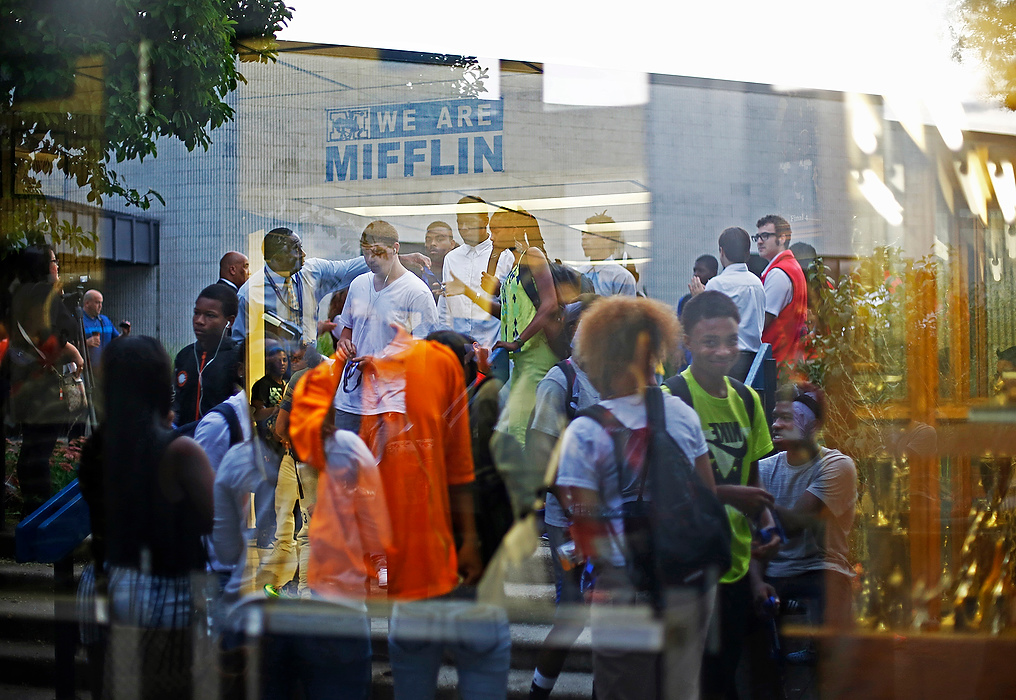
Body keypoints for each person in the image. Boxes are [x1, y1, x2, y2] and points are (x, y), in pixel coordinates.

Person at [555, 296, 716, 700]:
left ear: (600, 356)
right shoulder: (683, 416)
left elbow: (586, 528)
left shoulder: (586, 432)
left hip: (622, 591)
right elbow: (707, 501)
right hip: (684, 584)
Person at [357, 327, 509, 699]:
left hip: (415, 585)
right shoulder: (487, 411)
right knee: (484, 665)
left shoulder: (389, 425)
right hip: (473, 585)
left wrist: (378, 581)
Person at [77, 335, 214, 700]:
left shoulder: (96, 447)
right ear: (160, 385)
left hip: (100, 585)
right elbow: (217, 522)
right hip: (161, 594)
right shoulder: (178, 451)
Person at [664, 291, 775, 700]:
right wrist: (731, 496)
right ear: (687, 342)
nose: (723, 351)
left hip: (737, 563)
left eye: (731, 340)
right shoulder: (671, 400)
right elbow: (667, 488)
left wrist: (767, 523)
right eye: (710, 342)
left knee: (725, 673)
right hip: (688, 567)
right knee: (695, 679)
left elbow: (754, 475)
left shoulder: (747, 399)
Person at [751, 383, 856, 684]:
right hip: (775, 568)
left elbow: (794, 525)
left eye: (787, 418)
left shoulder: (837, 465)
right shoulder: (764, 468)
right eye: (775, 416)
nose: (776, 424)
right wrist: (757, 581)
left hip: (820, 566)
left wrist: (751, 498)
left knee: (830, 605)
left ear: (814, 425)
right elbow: (755, 538)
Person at [527, 297, 601, 700]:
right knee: (573, 610)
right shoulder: (560, 381)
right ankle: (540, 691)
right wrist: (573, 504)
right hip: (570, 523)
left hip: (613, 520)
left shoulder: (622, 378)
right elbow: (541, 455)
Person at [232, 227, 429, 343]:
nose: (303, 254)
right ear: (276, 259)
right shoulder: (250, 294)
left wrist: (395, 258)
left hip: (309, 366)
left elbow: (348, 269)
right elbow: (239, 343)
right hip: (274, 372)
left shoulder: (311, 271)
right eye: (296, 249)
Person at [7, 245, 84, 516]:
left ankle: (32, 508)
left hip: (24, 383)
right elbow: (52, 337)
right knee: (39, 450)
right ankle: (38, 512)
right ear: (42, 266)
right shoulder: (41, 294)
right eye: (53, 261)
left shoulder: (22, 293)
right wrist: (73, 351)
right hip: (41, 385)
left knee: (32, 447)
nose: (58, 266)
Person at [690, 227, 765, 381]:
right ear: (747, 253)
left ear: (722, 251)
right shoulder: (757, 283)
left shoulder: (717, 284)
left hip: (726, 360)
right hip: (754, 361)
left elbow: (708, 325)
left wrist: (699, 298)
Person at [438, 196, 514, 347]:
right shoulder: (451, 258)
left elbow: (512, 308)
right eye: (460, 222)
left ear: (485, 221)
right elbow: (445, 308)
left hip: (492, 350)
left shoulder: (505, 256)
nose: (464, 228)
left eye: (470, 222)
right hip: (458, 351)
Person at [172, 284, 241, 425]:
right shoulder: (185, 356)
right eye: (196, 313)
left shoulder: (237, 358)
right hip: (184, 440)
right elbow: (176, 403)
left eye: (210, 315)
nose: (199, 321)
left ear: (230, 321)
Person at [754, 215, 807, 372]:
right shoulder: (789, 266)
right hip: (785, 363)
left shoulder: (779, 272)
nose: (759, 241)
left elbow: (762, 322)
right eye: (757, 237)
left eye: (765, 236)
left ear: (782, 238)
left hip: (777, 364)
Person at [575, 211, 636, 297]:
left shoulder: (622, 277)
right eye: (583, 233)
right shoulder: (578, 273)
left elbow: (627, 310)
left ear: (608, 239)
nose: (584, 237)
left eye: (591, 233)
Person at [81, 289, 120, 370]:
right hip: (86, 372)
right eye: (97, 302)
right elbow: (66, 346)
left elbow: (117, 339)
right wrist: (86, 343)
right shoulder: (77, 321)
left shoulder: (105, 320)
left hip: (105, 369)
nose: (100, 306)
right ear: (87, 303)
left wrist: (125, 334)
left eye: (101, 303)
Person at [421, 220, 458, 298]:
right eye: (428, 240)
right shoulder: (417, 271)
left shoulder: (460, 272)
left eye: (439, 239)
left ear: (452, 244)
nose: (432, 243)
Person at [677, 254, 719, 318]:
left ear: (714, 273)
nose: (696, 274)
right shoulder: (685, 300)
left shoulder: (720, 298)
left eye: (701, 271)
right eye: (695, 270)